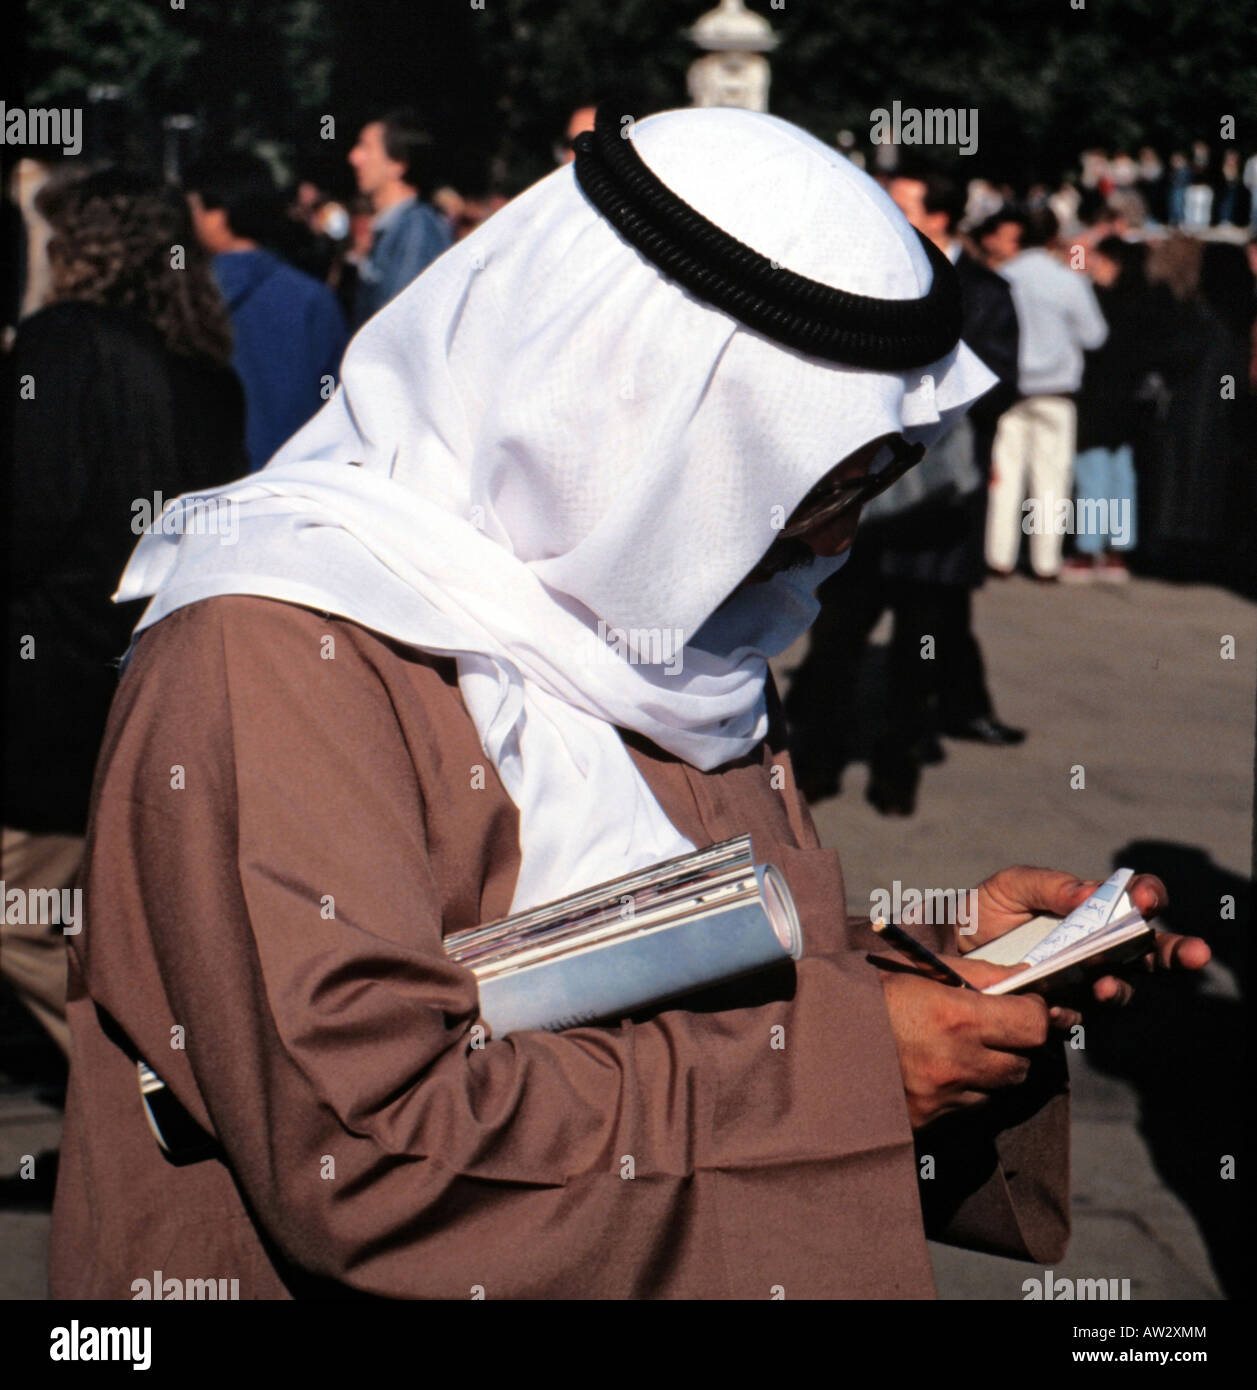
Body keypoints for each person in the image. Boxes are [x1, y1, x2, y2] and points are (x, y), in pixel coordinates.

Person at [50, 107, 1209, 1300]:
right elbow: (371, 1137)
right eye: (822, 476)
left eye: (878, 473)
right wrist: (856, 1066)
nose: (842, 531)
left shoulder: (665, 631)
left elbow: (605, 963)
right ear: (639, 408)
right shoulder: (272, 648)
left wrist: (930, 979)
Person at [2, 167, 248, 1053]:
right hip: (152, 677)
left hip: (49, 682)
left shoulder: (62, 344)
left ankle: (144, 1097)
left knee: (21, 912)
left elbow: (29, 514)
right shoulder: (205, 367)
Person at [785, 169, 1025, 812]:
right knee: (834, 640)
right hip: (862, 498)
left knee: (920, 654)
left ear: (939, 217)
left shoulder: (987, 291)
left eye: (902, 201)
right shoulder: (865, 274)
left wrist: (924, 394)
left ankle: (896, 775)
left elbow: (1002, 382)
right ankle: (817, 765)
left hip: (939, 505)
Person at [185, 153, 348, 473]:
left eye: (192, 209)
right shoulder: (313, 298)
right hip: (296, 486)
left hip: (209, 489)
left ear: (217, 214)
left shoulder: (185, 297)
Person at [984, 207, 1108, 579]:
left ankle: (999, 556)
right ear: (1055, 238)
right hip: (1057, 391)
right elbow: (1095, 335)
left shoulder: (1003, 277)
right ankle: (1045, 561)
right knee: (1051, 479)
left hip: (1011, 390)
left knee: (1005, 476)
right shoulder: (1068, 281)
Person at [347, 108, 453, 329]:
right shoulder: (396, 228)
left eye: (366, 147)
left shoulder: (417, 230)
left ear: (397, 165)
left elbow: (397, 328)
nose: (354, 157)